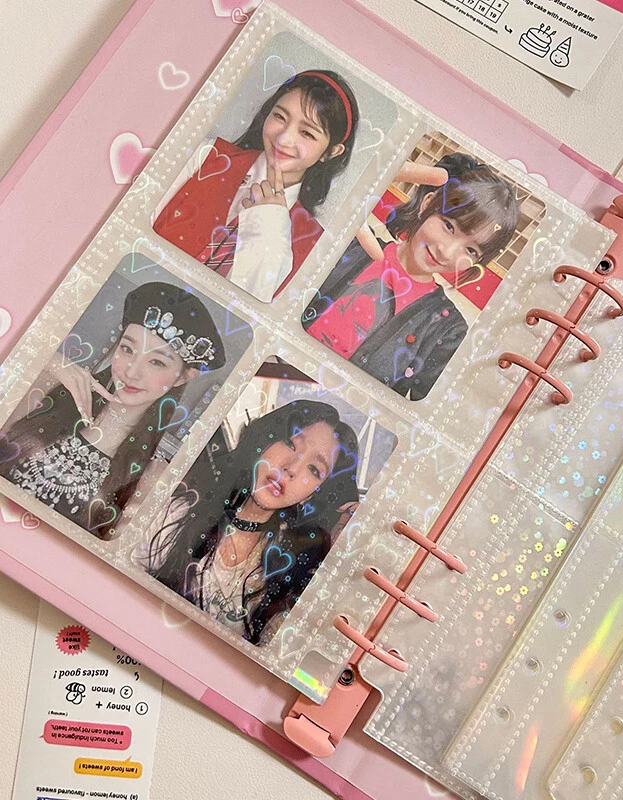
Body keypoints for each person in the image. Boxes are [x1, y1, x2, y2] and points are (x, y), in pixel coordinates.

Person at [0, 281, 225, 538]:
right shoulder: (46, 389)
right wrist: (52, 362)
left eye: (156, 362)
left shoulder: (152, 478)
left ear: (183, 377)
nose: (131, 371)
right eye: (127, 349)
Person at [139, 399, 359, 645]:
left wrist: (342, 550)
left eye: (314, 470)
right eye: (290, 443)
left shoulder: (283, 575)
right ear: (267, 439)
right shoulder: (179, 510)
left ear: (311, 495)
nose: (292, 469)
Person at [302, 152, 520, 400]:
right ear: (428, 204)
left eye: (471, 250)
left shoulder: (449, 330)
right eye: (449, 226)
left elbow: (428, 410)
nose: (447, 252)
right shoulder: (353, 245)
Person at [153, 69, 360, 303]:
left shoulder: (313, 245)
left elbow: (245, 311)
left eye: (307, 133)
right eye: (280, 117)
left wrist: (269, 224)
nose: (283, 138)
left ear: (331, 152)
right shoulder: (207, 157)